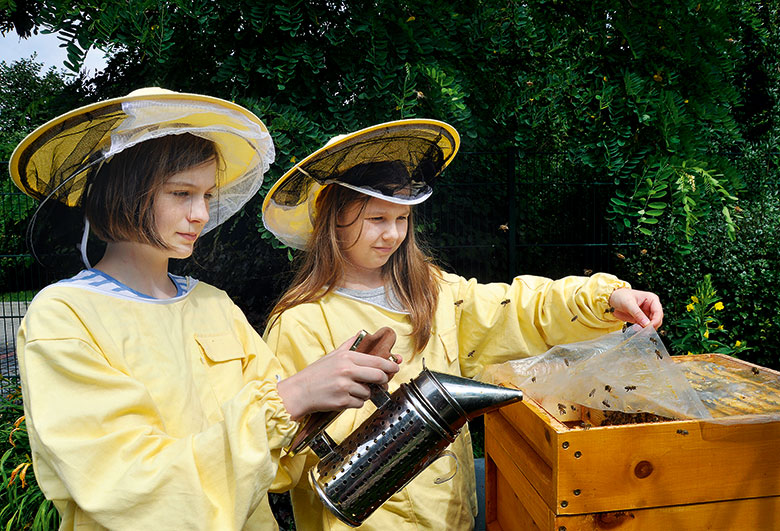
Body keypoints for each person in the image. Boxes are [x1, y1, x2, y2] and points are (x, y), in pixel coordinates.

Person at [10, 88, 400, 530]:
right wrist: (292, 397)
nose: (200, 213)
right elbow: (129, 488)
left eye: (207, 195)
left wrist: (329, 385)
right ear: (124, 193)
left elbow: (276, 468)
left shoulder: (214, 304)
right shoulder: (64, 316)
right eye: (181, 193)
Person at [261, 119, 664, 530]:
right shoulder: (299, 323)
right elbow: (277, 460)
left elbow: (517, 309)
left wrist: (606, 300)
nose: (392, 234)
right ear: (333, 218)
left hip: (453, 518)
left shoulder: (432, 291)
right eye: (377, 218)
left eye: (402, 219)